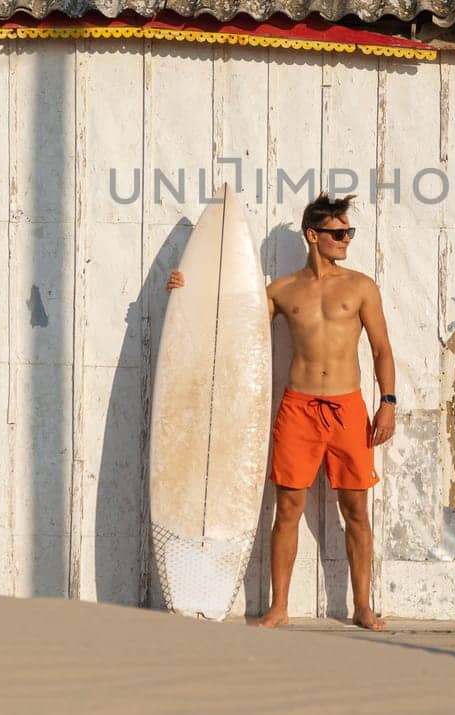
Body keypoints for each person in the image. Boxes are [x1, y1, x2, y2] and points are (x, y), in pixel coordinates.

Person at [166, 192, 396, 630]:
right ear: (314, 236)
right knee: (287, 509)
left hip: (348, 407)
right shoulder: (282, 291)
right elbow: (231, 322)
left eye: (349, 232)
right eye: (338, 233)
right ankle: (279, 607)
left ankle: (363, 605)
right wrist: (186, 288)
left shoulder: (361, 286)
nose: (346, 239)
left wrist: (387, 402)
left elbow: (382, 348)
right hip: (299, 408)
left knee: (357, 511)